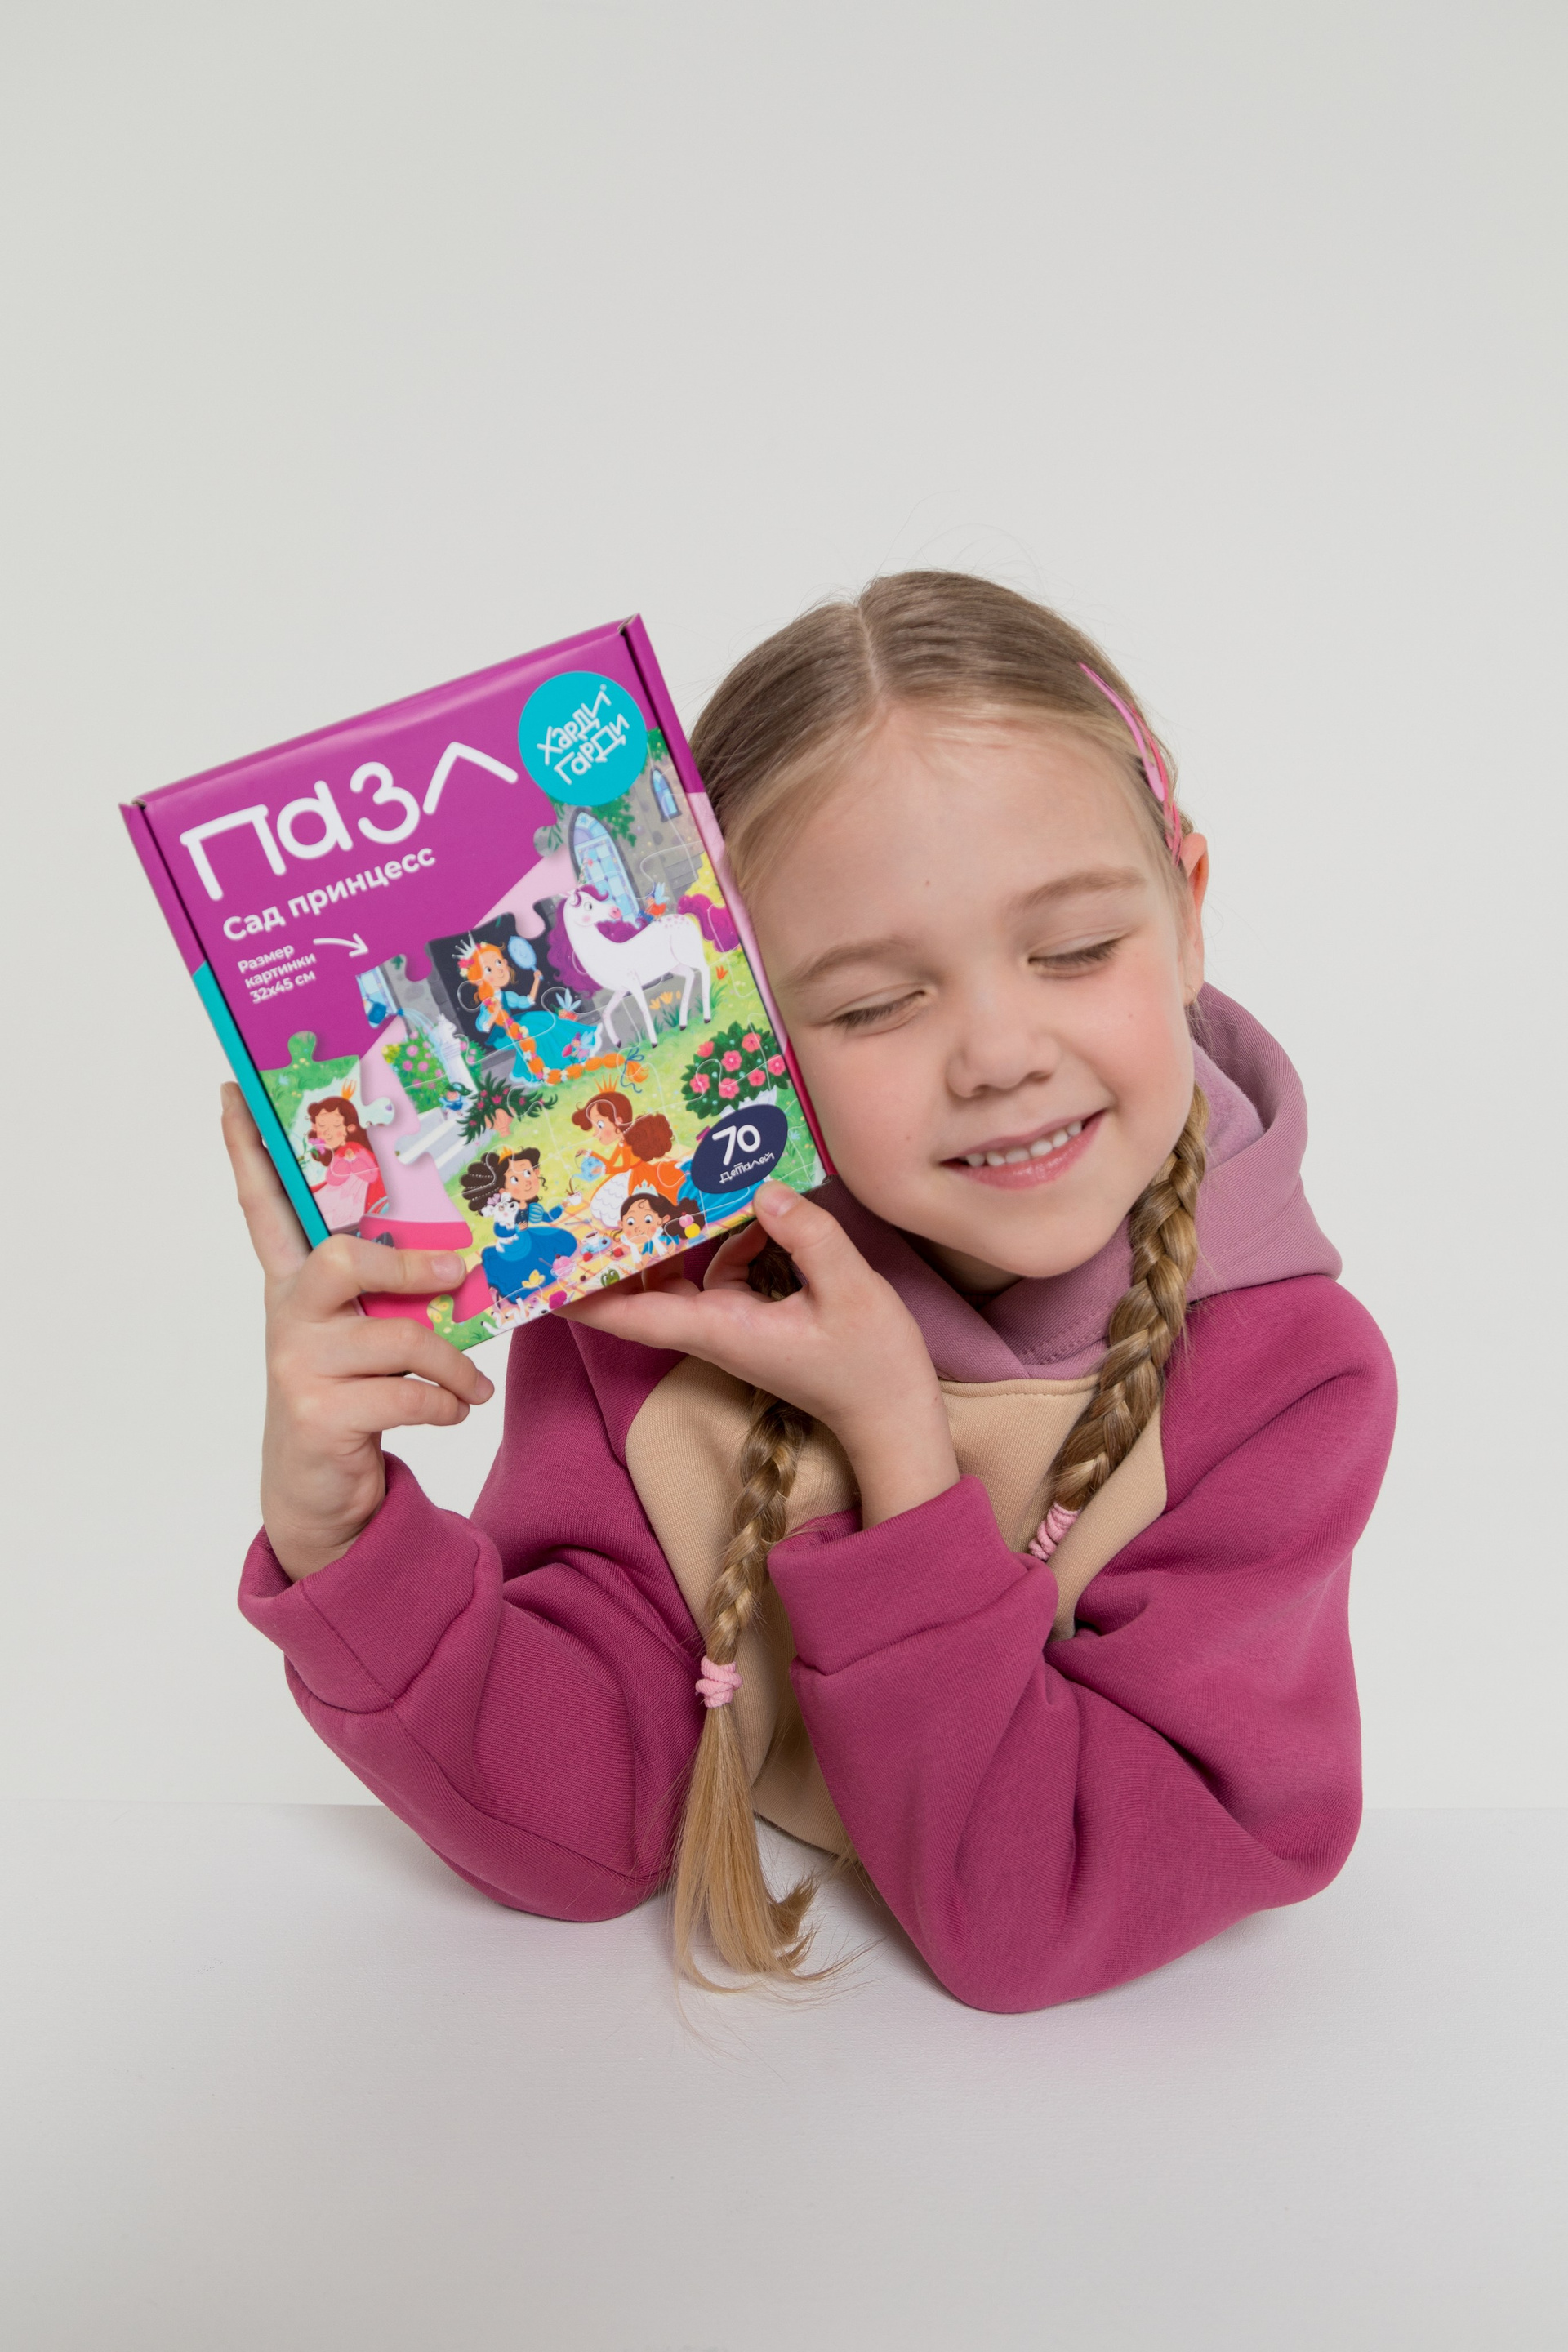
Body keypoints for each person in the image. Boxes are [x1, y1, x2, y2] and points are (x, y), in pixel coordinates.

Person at [220, 573, 1396, 2011]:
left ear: (1189, 913)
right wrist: (344, 1539)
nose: (1001, 1055)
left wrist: (898, 1443)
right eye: (872, 1004)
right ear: (749, 1016)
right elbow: (586, 1830)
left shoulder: (1289, 1383)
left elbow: (1036, 1914)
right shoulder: (661, 1310)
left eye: (1076, 949)